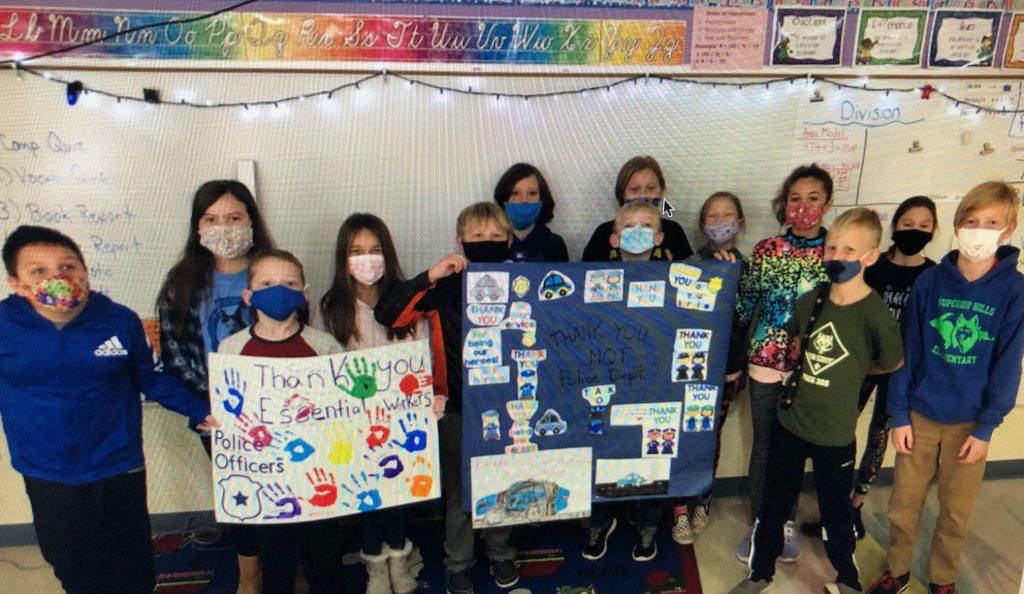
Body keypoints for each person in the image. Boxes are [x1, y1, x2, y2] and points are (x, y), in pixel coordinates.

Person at [0, 225, 217, 594]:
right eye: (39, 271)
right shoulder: (5, 325)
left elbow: (151, 378)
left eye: (68, 266)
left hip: (118, 464)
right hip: (47, 470)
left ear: (85, 269)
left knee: (132, 566)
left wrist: (201, 411)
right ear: (17, 284)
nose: (58, 277)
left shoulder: (119, 320)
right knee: (72, 566)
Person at [729, 208, 904, 594]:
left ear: (870, 256)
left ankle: (847, 578)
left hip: (835, 433)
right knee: (774, 505)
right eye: (832, 248)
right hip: (793, 422)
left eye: (849, 250)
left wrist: (854, 370)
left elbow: (892, 362)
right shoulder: (811, 300)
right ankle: (760, 572)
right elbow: (796, 341)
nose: (836, 256)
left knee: (836, 511)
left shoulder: (876, 314)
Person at [867, 182, 1024, 594]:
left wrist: (986, 427)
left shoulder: (1014, 290)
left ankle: (943, 578)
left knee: (956, 509)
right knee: (904, 501)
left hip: (970, 421)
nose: (979, 230)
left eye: (992, 222)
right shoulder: (931, 281)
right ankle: (897, 570)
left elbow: (1008, 363)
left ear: (1008, 230)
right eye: (971, 221)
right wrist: (899, 414)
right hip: (920, 414)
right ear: (956, 225)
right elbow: (909, 351)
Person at [375, 202, 518, 594]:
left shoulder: (523, 281)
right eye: (477, 236)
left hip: (511, 408)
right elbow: (388, 314)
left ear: (509, 241)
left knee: (505, 483)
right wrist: (430, 275)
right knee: (460, 493)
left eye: (496, 236)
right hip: (457, 407)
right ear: (460, 241)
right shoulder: (444, 287)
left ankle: (500, 551)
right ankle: (458, 562)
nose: (487, 242)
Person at [156, 179, 273, 592]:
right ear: (198, 227)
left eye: (234, 218)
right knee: (240, 499)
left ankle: (288, 567)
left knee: (286, 493)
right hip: (218, 418)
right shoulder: (180, 285)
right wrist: (213, 404)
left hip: (275, 410)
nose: (224, 228)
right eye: (212, 219)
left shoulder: (273, 273)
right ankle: (250, 577)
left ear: (252, 222)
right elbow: (174, 358)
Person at [801, 196, 937, 541]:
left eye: (924, 225)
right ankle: (833, 508)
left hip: (900, 370)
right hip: (858, 366)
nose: (915, 230)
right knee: (839, 430)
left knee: (879, 438)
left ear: (934, 230)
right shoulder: (873, 267)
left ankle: (854, 508)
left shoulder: (931, 276)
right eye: (907, 224)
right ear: (894, 227)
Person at [218, 249, 346, 594]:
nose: (279, 290)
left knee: (325, 558)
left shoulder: (323, 346)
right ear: (248, 295)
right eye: (267, 284)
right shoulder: (231, 349)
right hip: (267, 481)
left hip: (318, 475)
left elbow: (346, 409)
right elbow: (227, 407)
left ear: (304, 294)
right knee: (275, 562)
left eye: (290, 283)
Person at [317, 214, 430, 594]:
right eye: (356, 251)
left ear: (387, 254)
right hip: (353, 426)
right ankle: (374, 563)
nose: (366, 259)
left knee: (397, 493)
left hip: (401, 422)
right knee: (366, 496)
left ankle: (398, 557)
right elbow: (320, 369)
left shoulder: (409, 302)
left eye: (374, 250)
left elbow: (423, 359)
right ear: (343, 258)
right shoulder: (330, 308)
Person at [734, 164, 833, 563]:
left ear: (827, 204)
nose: (803, 206)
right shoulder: (767, 250)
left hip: (813, 366)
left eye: (813, 198)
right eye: (795, 198)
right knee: (765, 446)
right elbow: (744, 308)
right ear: (785, 203)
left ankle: (786, 521)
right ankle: (762, 524)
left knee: (793, 449)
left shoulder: (837, 253)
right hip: (765, 363)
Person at [583, 201, 667, 562]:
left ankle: (648, 523)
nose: (638, 231)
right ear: (614, 239)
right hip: (609, 379)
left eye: (646, 225)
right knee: (603, 449)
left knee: (654, 452)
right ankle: (600, 520)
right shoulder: (594, 280)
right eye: (629, 225)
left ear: (659, 238)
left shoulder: (674, 279)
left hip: (655, 383)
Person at [672, 191, 749, 544]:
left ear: (740, 222)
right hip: (689, 366)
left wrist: (738, 367)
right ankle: (678, 507)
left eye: (727, 215)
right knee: (681, 435)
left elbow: (744, 321)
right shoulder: (688, 264)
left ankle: (703, 498)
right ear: (702, 225)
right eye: (713, 215)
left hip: (726, 367)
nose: (720, 221)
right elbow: (679, 315)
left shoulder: (747, 267)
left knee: (711, 435)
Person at [581, 156, 693, 262]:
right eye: (634, 189)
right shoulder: (603, 233)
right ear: (621, 194)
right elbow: (584, 272)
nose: (643, 196)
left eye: (651, 188)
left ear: (661, 191)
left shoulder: (673, 231)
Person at [492, 163, 568, 262]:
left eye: (532, 193)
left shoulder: (555, 244)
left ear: (542, 200)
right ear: (503, 200)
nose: (524, 200)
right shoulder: (490, 242)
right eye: (515, 193)